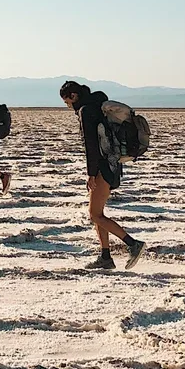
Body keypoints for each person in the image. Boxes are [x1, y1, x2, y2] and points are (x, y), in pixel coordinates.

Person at [59, 80, 144, 271]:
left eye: (67, 102)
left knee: (95, 215)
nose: (68, 107)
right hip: (113, 165)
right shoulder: (98, 106)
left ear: (74, 96)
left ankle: (133, 244)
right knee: (98, 214)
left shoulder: (86, 111)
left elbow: (91, 147)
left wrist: (90, 174)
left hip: (103, 168)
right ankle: (105, 257)